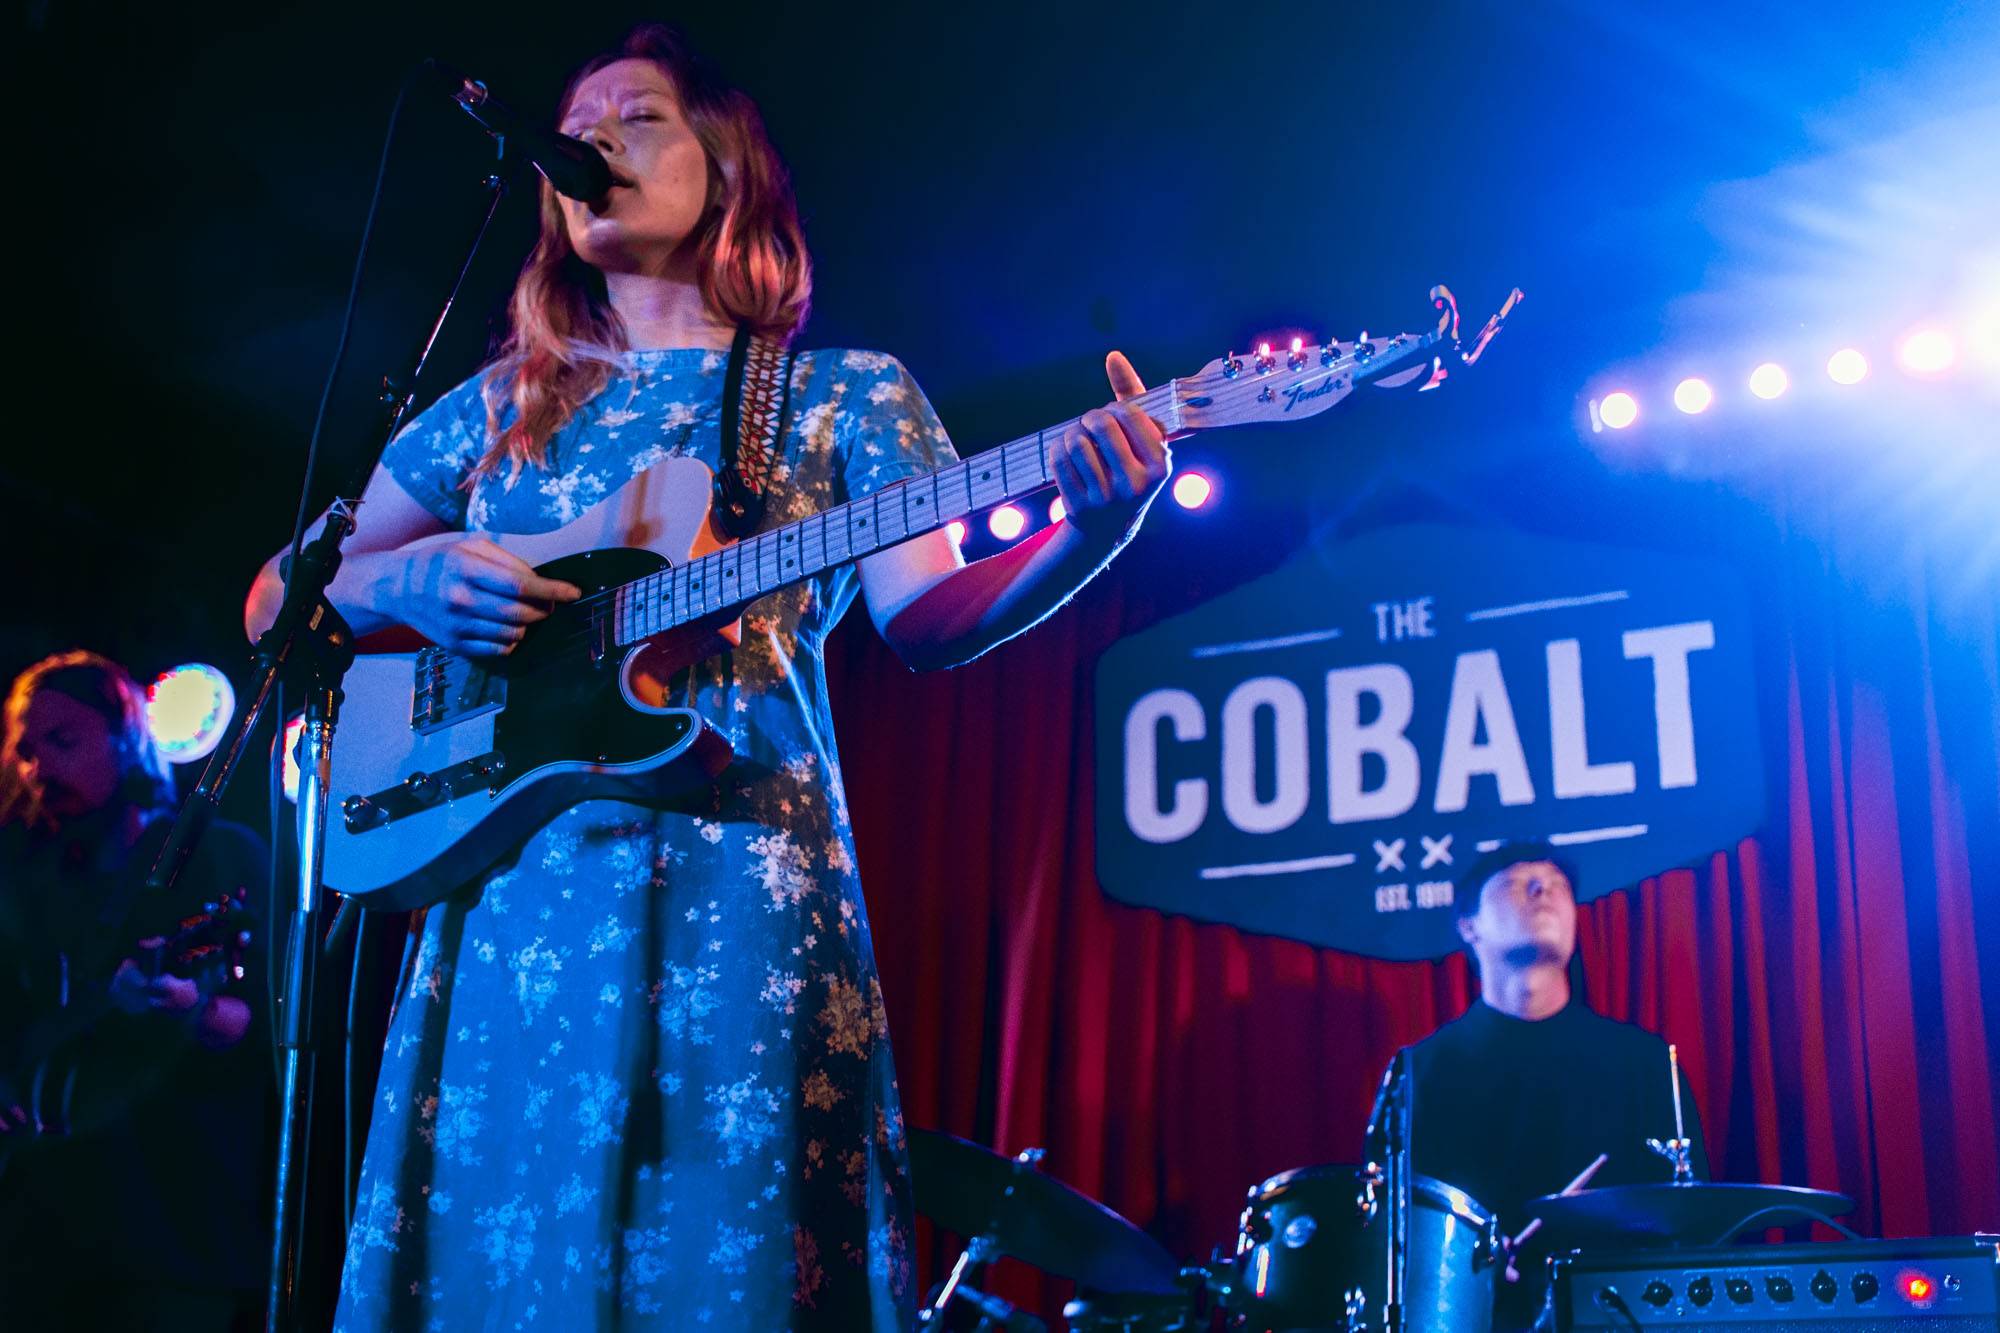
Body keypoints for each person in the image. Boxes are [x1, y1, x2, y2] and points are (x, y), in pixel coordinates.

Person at [242, 24, 1173, 1331]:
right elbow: (284, 596)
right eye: (584, 126)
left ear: (728, 165)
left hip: (745, 891)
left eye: (641, 118)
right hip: (514, 908)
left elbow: (931, 620)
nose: (600, 143)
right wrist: (404, 581)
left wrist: (1097, 527)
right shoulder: (497, 405)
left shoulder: (844, 395)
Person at [0, 650, 271, 1331]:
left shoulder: (216, 855)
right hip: (36, 1236)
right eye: (25, 751)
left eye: (62, 741)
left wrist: (191, 1006)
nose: (37, 769)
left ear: (128, 737)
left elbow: (263, 1027)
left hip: (171, 1235)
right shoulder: (29, 878)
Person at [1376, 842, 1708, 1332]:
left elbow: (1692, 1224)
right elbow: (1393, 1240)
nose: (1542, 892)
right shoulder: (1419, 1074)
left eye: (1557, 887)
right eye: (1515, 883)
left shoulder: (1645, 1063)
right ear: (1469, 926)